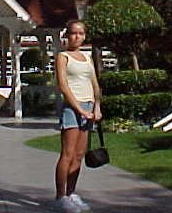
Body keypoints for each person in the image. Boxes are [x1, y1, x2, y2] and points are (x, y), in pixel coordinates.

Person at [53, 20, 102, 213]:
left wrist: (97, 106)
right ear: (67, 35)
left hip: (89, 107)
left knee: (79, 155)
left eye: (81, 33)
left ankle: (72, 193)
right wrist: (79, 109)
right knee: (67, 154)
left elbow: (95, 83)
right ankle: (60, 196)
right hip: (72, 108)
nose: (77, 37)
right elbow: (63, 86)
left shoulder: (87, 58)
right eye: (74, 33)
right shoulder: (63, 57)